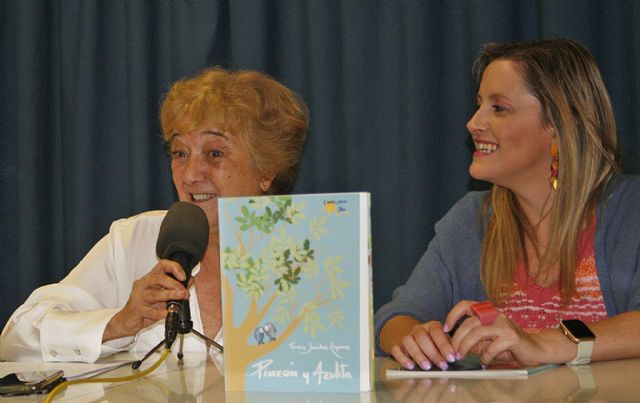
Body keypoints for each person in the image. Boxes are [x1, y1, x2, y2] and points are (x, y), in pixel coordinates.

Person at [0, 67, 309, 362]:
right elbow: (16, 339)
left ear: (266, 169)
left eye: (215, 153)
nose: (189, 175)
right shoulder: (135, 239)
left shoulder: (313, 251)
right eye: (180, 153)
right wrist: (119, 323)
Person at [375, 39, 640, 372]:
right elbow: (394, 318)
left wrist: (544, 343)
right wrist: (415, 336)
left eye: (498, 108)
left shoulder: (630, 211)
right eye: (479, 105)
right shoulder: (472, 219)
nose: (473, 123)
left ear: (561, 126)